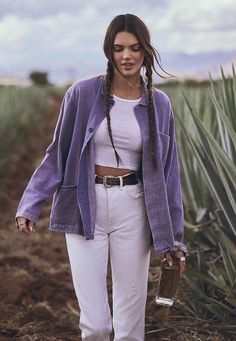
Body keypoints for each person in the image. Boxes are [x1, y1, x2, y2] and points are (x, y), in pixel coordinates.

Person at [15, 13, 187, 341]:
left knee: (129, 327)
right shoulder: (82, 94)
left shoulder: (159, 105)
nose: (127, 56)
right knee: (95, 325)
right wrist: (30, 202)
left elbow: (169, 174)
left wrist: (174, 240)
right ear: (108, 51)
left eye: (135, 48)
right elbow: (58, 153)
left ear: (145, 52)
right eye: (119, 48)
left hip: (134, 210)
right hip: (85, 207)